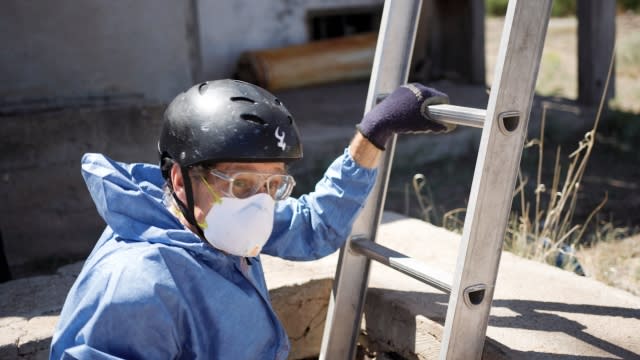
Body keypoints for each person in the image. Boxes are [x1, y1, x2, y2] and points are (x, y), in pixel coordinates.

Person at [50, 79, 452, 359]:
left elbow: (313, 226)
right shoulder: (138, 288)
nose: (262, 205)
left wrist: (372, 134)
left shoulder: (212, 224)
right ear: (179, 179)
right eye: (242, 183)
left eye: (274, 184)